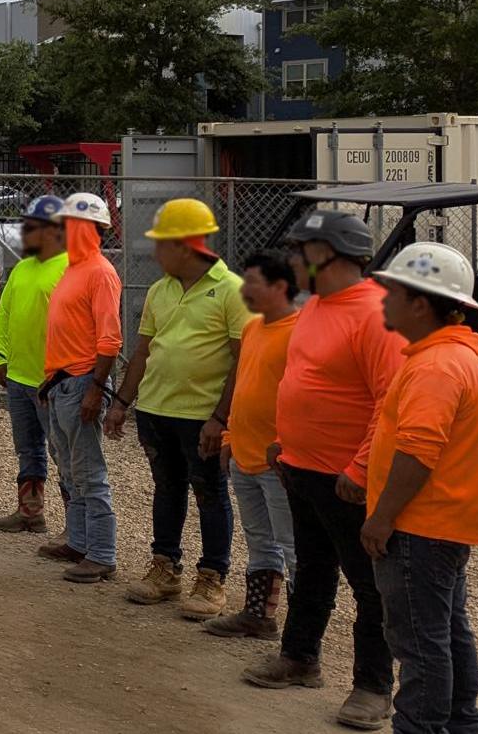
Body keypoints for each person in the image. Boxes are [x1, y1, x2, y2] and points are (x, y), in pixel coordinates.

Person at [241, 210, 404, 732]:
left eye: (303, 250)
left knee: (369, 585)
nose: (294, 259)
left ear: (331, 254)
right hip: (302, 467)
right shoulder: (316, 307)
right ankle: (300, 657)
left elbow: (390, 403)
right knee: (312, 568)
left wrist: (359, 469)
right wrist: (285, 443)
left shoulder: (378, 314)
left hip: (347, 479)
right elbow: (303, 379)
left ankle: (374, 686)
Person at [363, 242, 478, 734]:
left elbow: (420, 451)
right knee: (446, 631)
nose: (382, 301)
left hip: (419, 526)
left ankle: (422, 727)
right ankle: (463, 724)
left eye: (392, 293)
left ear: (420, 303)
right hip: (441, 524)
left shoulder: (436, 366)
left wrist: (381, 518)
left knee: (420, 642)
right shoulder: (453, 356)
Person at [104, 198, 249, 621]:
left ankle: (212, 576)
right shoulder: (159, 290)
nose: (155, 253)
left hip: (201, 417)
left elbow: (243, 359)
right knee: (167, 489)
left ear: (185, 245)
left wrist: (220, 418)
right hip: (155, 410)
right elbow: (144, 350)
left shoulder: (232, 291)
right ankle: (165, 567)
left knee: (209, 493)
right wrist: (122, 404)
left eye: (161, 244)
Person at [204, 251, 300, 641]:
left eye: (253, 281)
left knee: (293, 547)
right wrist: (229, 435)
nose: (244, 288)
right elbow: (243, 387)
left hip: (279, 461)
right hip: (245, 455)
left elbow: (304, 396)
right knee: (260, 540)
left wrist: (286, 444)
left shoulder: (299, 331)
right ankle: (259, 615)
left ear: (279, 287)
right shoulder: (253, 328)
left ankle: (301, 634)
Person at [42, 192, 123, 582]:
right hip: (62, 382)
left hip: (79, 382)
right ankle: (79, 541)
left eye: (68, 225)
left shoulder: (100, 273)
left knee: (89, 471)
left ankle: (103, 553)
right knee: (70, 470)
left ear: (89, 229)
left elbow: (110, 340)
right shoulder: (73, 270)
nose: (62, 232)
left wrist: (95, 389)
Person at [0, 195, 70, 533]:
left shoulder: (69, 269)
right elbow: (4, 315)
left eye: (30, 227)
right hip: (19, 378)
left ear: (52, 231)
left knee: (62, 453)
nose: (23, 233)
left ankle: (76, 528)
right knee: (28, 449)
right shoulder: (22, 268)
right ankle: (30, 512)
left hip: (51, 381)